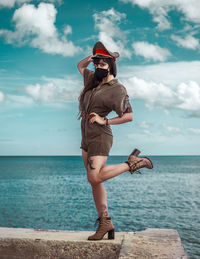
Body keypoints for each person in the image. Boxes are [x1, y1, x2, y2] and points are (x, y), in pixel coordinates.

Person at [77, 41, 153, 241]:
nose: (98, 67)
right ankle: (105, 222)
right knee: (95, 182)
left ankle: (133, 163)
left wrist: (105, 120)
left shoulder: (117, 88)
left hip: (101, 136)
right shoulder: (93, 80)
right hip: (86, 136)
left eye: (102, 64)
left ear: (111, 65)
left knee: (93, 177)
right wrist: (92, 57)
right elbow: (80, 66)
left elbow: (129, 116)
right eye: (97, 63)